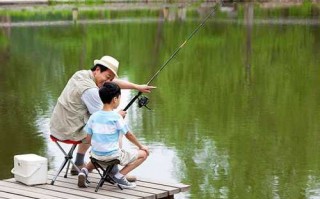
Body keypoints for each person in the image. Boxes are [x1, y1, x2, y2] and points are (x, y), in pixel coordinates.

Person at [50, 55, 154, 177]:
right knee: (114, 127)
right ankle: (112, 170)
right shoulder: (90, 90)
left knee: (92, 122)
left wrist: (136, 86)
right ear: (98, 69)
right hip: (69, 131)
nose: (108, 81)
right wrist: (117, 115)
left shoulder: (82, 74)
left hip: (57, 126)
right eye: (107, 77)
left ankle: (79, 163)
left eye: (110, 78)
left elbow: (111, 82)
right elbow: (105, 119)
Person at [78, 82, 149, 189]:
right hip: (112, 156)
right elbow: (128, 135)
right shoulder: (116, 117)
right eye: (119, 98)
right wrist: (141, 146)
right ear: (115, 99)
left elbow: (88, 139)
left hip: (96, 156)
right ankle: (119, 176)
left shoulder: (94, 116)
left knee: (98, 156)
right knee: (144, 154)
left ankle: (84, 171)